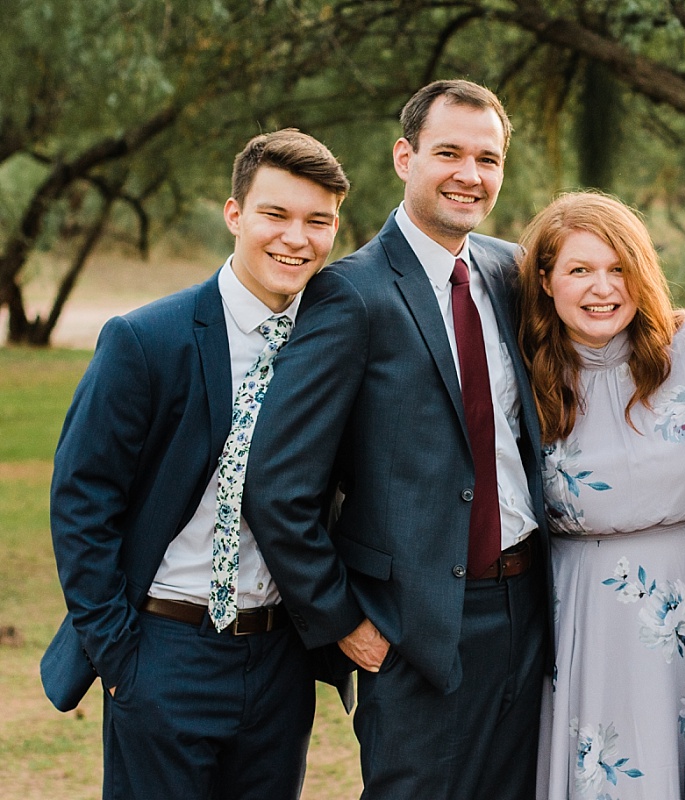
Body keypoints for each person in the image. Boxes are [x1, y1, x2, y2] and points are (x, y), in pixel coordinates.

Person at [241, 80, 550, 800]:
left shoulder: (511, 272)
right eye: (448, 153)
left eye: (487, 158)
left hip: (529, 607)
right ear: (404, 156)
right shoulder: (350, 294)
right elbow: (278, 485)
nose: (469, 175)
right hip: (412, 627)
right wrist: (344, 621)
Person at [42, 129, 349, 799]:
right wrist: (122, 657)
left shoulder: (335, 343)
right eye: (276, 214)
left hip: (279, 660)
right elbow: (81, 501)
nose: (296, 238)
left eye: (317, 221)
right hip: (162, 647)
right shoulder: (147, 340)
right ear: (235, 214)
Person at [518, 191, 685, 800]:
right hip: (588, 614)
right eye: (580, 270)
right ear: (546, 281)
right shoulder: (523, 374)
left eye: (619, 267)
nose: (603, 287)